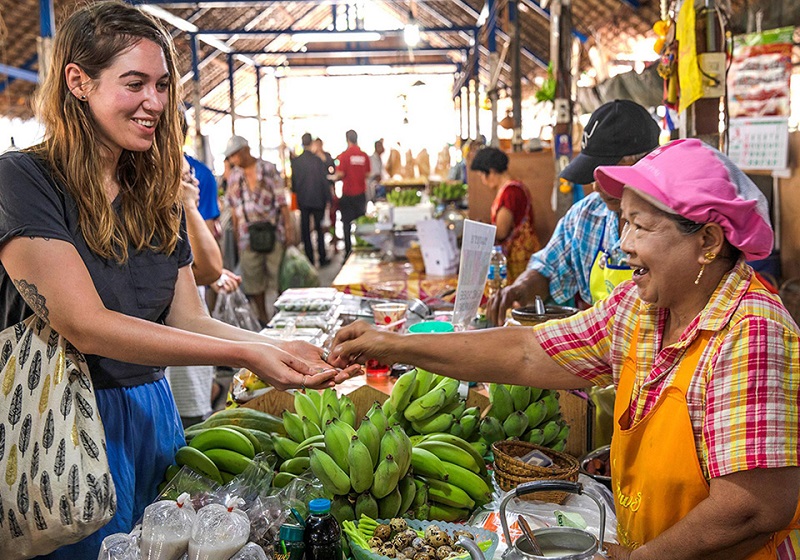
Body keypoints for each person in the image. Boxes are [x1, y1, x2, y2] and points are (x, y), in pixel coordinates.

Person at [332, 138, 800, 559]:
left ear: (708, 241)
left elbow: (752, 507)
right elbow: (528, 351)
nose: (624, 245)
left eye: (640, 227)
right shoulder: (638, 309)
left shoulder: (751, 331)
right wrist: (394, 345)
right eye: (623, 223)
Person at [0, 3, 355, 556]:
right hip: (69, 426)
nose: (155, 103)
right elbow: (87, 326)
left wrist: (275, 346)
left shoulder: (156, 192)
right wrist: (247, 358)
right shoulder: (22, 179)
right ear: (78, 81)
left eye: (163, 85)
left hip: (155, 416)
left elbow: (187, 317)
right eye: (134, 83)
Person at [486, 99, 660, 326]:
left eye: (608, 174)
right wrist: (521, 288)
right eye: (594, 176)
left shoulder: (671, 220)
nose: (596, 187)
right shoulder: (586, 215)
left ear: (643, 162)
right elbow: (548, 267)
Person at [224, 134, 295, 325]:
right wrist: (239, 237)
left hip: (273, 230)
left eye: (234, 155)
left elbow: (281, 201)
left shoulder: (268, 168)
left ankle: (282, 314)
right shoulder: (235, 177)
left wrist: (288, 228)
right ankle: (263, 317)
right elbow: (233, 209)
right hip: (248, 235)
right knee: (253, 278)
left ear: (245, 150)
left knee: (279, 275)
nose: (232, 160)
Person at [469, 146, 540, 283]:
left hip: (517, 257)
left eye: (481, 176)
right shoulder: (512, 188)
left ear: (491, 172)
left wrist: (481, 229)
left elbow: (502, 231)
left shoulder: (511, 192)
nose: (483, 181)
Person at [292, 132, 331, 267]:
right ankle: (322, 257)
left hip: (303, 200)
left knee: (305, 231)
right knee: (320, 230)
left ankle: (309, 259)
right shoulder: (317, 160)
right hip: (318, 199)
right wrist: (328, 199)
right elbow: (323, 181)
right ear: (311, 143)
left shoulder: (296, 162)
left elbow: (294, 184)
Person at [333, 129, 370, 258]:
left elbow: (340, 174)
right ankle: (363, 249)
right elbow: (367, 174)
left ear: (347, 139)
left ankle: (348, 252)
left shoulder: (344, 155)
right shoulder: (364, 155)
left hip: (348, 194)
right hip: (360, 194)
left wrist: (334, 177)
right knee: (362, 224)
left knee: (346, 225)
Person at [312, 137, 339, 255]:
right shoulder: (313, 159)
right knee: (320, 219)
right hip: (318, 193)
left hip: (329, 190)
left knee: (332, 215)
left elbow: (333, 170)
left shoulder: (326, 156)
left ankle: (333, 238)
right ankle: (321, 240)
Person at [368, 138, 385, 202]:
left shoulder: (379, 158)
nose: (383, 148)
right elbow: (377, 175)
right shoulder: (373, 159)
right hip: (373, 189)